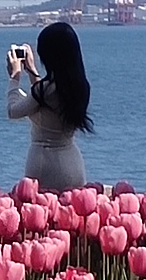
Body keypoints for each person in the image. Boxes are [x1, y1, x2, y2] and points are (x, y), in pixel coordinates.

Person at [6, 21, 92, 192]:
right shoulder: (79, 86)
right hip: (73, 162)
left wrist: (14, 77)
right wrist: (32, 71)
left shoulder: (45, 89)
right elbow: (44, 104)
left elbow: (13, 111)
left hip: (44, 163)